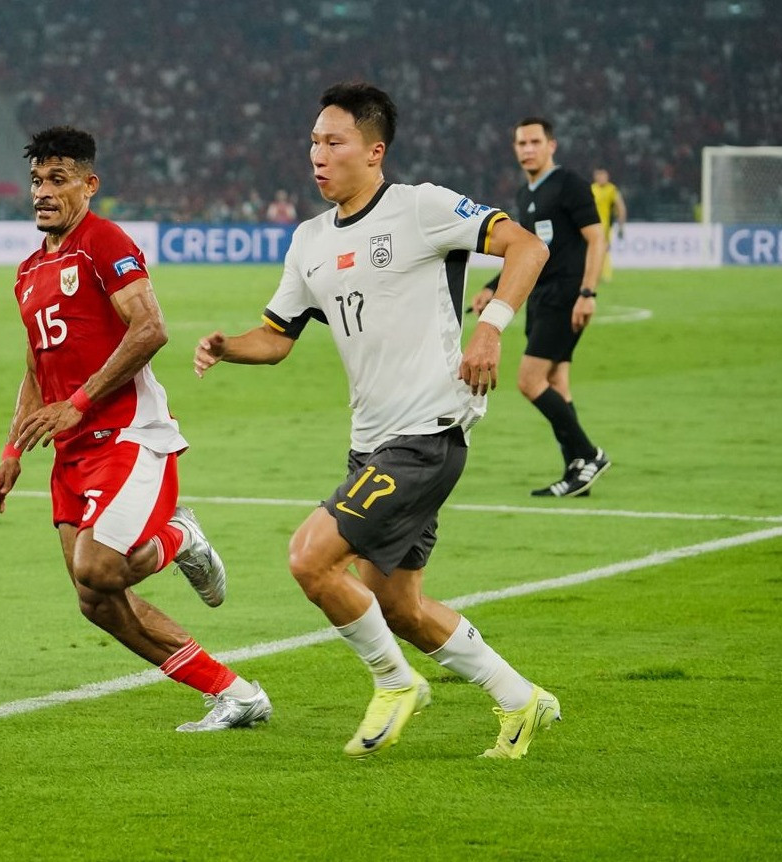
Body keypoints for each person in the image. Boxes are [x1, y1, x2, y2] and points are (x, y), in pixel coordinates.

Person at [195, 82, 560, 759]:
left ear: (373, 150)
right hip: (370, 445)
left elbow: (526, 249)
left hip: (426, 436)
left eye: (332, 142)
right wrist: (227, 347)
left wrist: (492, 327)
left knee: (309, 558)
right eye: (312, 142)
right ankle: (521, 701)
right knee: (398, 607)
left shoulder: (419, 207)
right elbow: (276, 337)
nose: (317, 154)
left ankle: (393, 682)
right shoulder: (307, 241)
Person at [0, 125, 271, 732]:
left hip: (128, 434)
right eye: (37, 180)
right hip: (71, 448)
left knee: (100, 569)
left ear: (90, 185)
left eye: (58, 179)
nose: (43, 191)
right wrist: (13, 448)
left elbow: (150, 328)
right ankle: (234, 692)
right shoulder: (28, 271)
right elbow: (37, 366)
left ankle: (180, 536)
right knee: (95, 600)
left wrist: (82, 402)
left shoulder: (103, 241)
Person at [470, 118, 610, 498]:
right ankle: (576, 472)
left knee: (529, 382)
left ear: (552, 145)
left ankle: (589, 455)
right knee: (557, 384)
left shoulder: (570, 185)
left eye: (535, 142)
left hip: (565, 298)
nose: (527, 149)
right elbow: (524, 255)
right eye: (521, 143)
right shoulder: (524, 193)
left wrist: (587, 292)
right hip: (541, 299)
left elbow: (596, 240)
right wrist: (490, 287)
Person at [590, 168, 627, 282]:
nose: (601, 178)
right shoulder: (592, 189)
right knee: (591, 250)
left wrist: (621, 225)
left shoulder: (611, 190)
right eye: (598, 175)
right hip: (590, 224)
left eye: (603, 175)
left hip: (605, 226)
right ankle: (594, 274)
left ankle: (605, 275)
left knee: (603, 250)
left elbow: (620, 208)